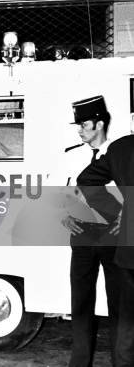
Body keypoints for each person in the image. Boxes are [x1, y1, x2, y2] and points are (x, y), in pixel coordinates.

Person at [61, 96, 120, 367]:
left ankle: (122, 360)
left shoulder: (121, 153)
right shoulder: (72, 156)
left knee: (120, 303)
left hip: (115, 237)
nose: (80, 130)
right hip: (82, 234)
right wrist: (63, 216)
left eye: (84, 124)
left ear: (99, 123)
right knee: (81, 301)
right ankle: (80, 361)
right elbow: (61, 194)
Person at [78, 132, 134, 367]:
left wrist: (121, 212)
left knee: (128, 321)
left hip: (130, 249)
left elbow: (86, 180)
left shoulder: (122, 147)